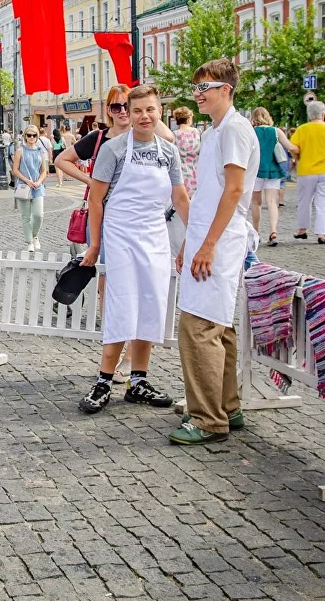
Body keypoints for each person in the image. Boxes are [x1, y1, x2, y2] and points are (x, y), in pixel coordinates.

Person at [79, 84, 189, 414]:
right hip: (121, 236)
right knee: (121, 304)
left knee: (151, 305)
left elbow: (180, 198)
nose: (144, 116)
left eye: (150, 110)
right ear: (129, 112)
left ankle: (138, 380)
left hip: (155, 237)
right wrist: (95, 245)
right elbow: (96, 201)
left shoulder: (168, 152)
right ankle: (103, 381)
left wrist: (196, 238)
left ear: (160, 113)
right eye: (137, 110)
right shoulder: (113, 150)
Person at [170, 58, 260, 445]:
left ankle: (208, 418)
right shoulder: (215, 132)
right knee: (217, 324)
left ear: (226, 89)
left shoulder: (235, 130)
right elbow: (207, 192)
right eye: (196, 89)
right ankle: (226, 405)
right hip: (210, 237)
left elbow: (235, 191)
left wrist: (206, 244)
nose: (198, 95)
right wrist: (192, 241)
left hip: (221, 241)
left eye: (203, 87)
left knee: (200, 326)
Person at [250, 108, 294, 247]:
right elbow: (290, 147)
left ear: (253, 118)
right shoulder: (276, 131)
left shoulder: (251, 132)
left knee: (256, 203)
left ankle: (256, 233)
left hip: (255, 170)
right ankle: (273, 232)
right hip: (273, 170)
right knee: (272, 202)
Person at [290, 101, 325, 244]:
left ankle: (302, 230)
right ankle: (321, 234)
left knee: (304, 201)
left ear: (309, 115)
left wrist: (297, 157)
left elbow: (293, 148)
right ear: (323, 114)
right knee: (322, 202)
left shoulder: (302, 129)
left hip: (306, 171)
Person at [12, 125, 48, 251]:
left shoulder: (40, 151)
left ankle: (35, 236)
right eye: (29, 135)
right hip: (23, 187)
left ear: (37, 136)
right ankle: (29, 242)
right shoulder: (20, 150)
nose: (31, 137)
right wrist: (27, 180)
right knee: (26, 216)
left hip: (38, 187)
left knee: (39, 215)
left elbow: (44, 171)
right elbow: (15, 170)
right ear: (25, 136)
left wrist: (38, 182)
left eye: (34, 135)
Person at [172, 106, 200, 198]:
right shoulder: (197, 132)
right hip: (197, 172)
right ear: (189, 118)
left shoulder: (174, 134)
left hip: (181, 174)